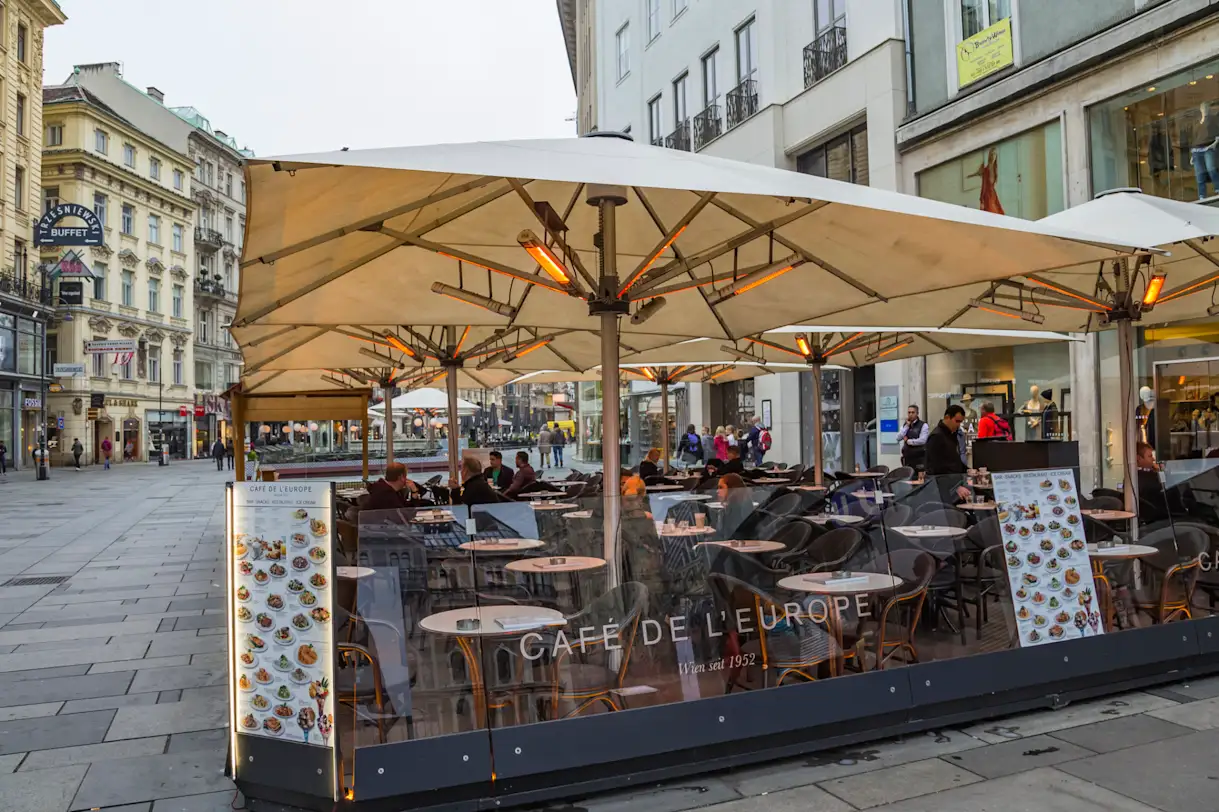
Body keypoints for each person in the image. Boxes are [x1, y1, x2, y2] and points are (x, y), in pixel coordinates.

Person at [925, 405, 970, 502]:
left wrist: (968, 471)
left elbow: (953, 460)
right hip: (943, 489)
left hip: (954, 484)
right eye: (956, 421)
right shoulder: (937, 436)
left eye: (960, 422)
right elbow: (936, 468)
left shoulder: (951, 435)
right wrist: (954, 487)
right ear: (947, 417)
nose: (958, 425)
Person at [897, 405, 929, 470]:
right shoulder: (905, 425)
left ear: (917, 413)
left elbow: (923, 440)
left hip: (919, 459)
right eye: (909, 412)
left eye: (913, 412)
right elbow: (898, 437)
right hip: (907, 458)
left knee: (918, 478)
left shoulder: (923, 425)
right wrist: (906, 427)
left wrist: (908, 441)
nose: (910, 414)